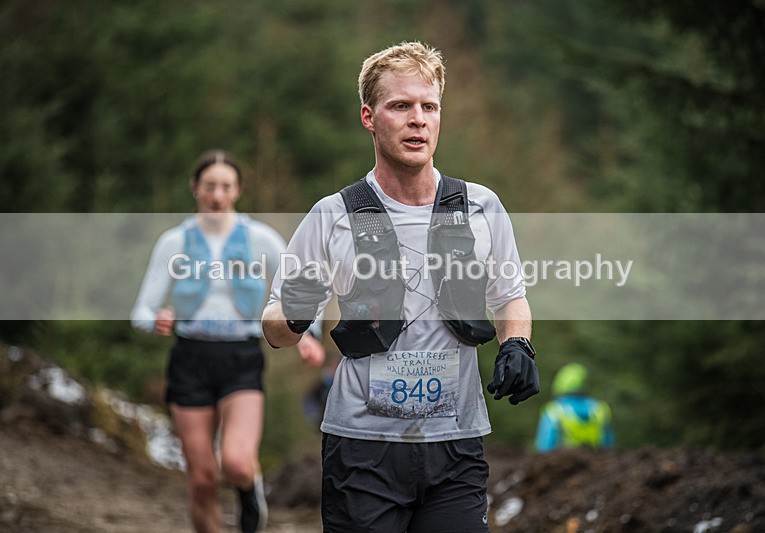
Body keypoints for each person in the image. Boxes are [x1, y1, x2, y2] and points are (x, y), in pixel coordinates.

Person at [262, 42, 540, 532]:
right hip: (362, 449)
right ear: (369, 117)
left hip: (456, 445)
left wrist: (517, 343)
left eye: (429, 107)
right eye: (400, 106)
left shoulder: (479, 207)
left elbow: (509, 297)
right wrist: (296, 311)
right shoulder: (334, 215)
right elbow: (275, 330)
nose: (417, 120)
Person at [131, 149, 325, 533]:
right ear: (195, 188)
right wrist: (155, 320)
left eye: (225, 186)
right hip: (190, 359)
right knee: (202, 480)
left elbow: (302, 288)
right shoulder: (175, 242)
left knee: (236, 463)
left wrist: (307, 333)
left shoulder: (260, 239)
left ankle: (249, 488)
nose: (217, 195)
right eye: (209, 186)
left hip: (242, 357)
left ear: (238, 190)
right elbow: (141, 310)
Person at [534, 363, 614, 452]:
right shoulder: (600, 408)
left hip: (562, 459)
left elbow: (545, 446)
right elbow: (609, 444)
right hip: (597, 459)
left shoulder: (554, 410)